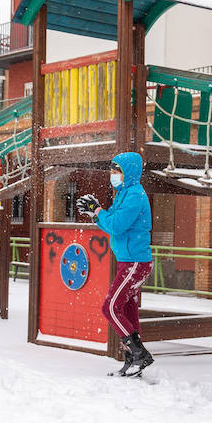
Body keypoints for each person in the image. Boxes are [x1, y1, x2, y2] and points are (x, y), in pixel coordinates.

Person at [82, 152, 154, 377]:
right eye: (112, 170)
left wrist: (97, 212)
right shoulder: (123, 193)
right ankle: (132, 358)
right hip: (129, 262)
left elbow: (116, 225)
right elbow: (110, 218)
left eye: (117, 171)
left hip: (135, 262)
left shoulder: (134, 195)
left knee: (110, 307)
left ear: (129, 172)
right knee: (125, 307)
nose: (113, 175)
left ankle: (139, 355)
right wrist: (96, 212)